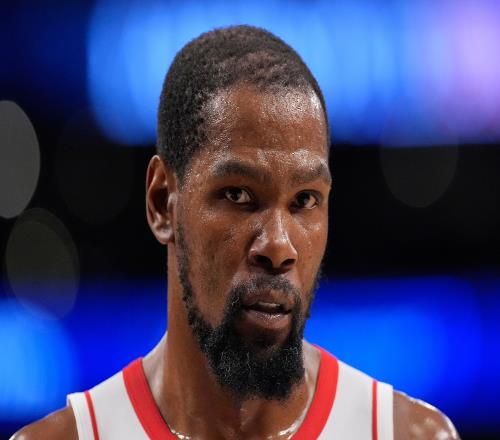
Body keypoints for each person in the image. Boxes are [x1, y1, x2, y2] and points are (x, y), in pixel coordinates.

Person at [12, 25, 460, 440]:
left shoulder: (410, 434)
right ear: (162, 203)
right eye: (239, 195)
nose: (279, 246)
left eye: (305, 200)